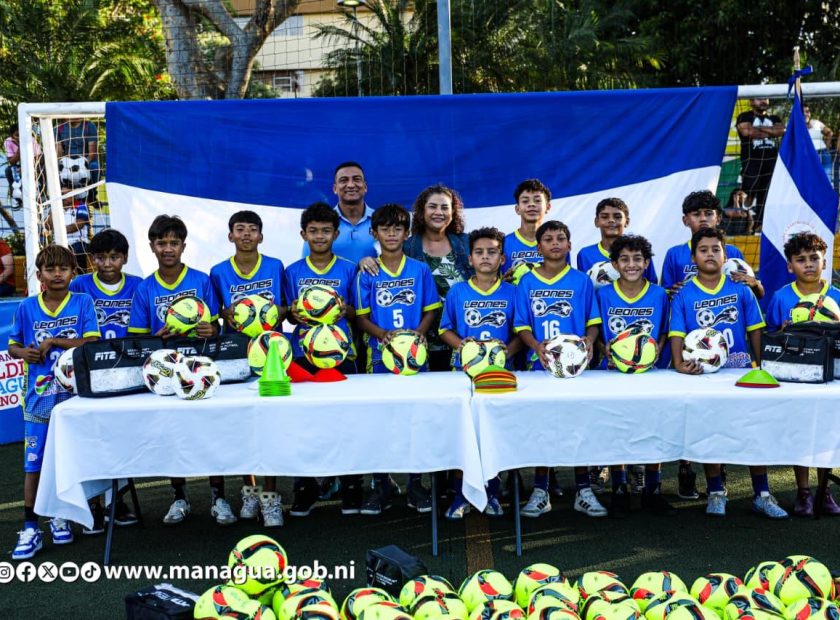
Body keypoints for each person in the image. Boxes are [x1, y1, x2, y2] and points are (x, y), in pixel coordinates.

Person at [669, 227, 788, 520]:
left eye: (716, 249)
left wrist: (762, 366)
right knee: (711, 433)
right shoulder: (683, 295)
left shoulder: (740, 289)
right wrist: (679, 364)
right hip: (704, 376)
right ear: (693, 257)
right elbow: (676, 334)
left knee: (752, 432)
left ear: (726, 255)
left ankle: (762, 493)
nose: (710, 254)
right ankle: (716, 492)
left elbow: (755, 330)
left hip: (740, 373)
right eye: (703, 250)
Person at [126, 215, 230, 526]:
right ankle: (179, 497)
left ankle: (219, 496)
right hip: (166, 373)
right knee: (173, 435)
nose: (168, 248)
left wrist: (211, 329)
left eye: (174, 243)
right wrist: (156, 338)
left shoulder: (200, 280)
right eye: (162, 243)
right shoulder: (145, 288)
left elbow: (216, 325)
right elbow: (138, 338)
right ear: (152, 246)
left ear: (184, 246)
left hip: (200, 368)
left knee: (211, 433)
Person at [660, 190, 763, 500]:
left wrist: (756, 284)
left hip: (735, 359)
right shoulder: (675, 254)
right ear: (686, 220)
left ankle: (747, 485)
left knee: (738, 422)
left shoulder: (733, 253)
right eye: (697, 214)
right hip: (696, 352)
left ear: (718, 218)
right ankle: (687, 469)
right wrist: (673, 290)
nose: (703, 218)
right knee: (695, 418)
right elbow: (666, 295)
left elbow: (752, 295)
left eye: (709, 213)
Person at [9, 245, 100, 560]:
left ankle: (62, 515)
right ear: (39, 275)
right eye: (50, 269)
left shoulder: (82, 302)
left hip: (76, 397)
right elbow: (13, 345)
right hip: (39, 399)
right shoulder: (26, 307)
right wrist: (24, 353)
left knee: (73, 458)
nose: (57, 274)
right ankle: (30, 526)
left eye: (63, 268)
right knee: (34, 464)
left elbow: (91, 342)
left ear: (73, 273)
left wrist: (55, 341)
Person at [513, 220, 606, 519]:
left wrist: (589, 341)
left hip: (576, 367)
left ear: (569, 244)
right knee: (543, 427)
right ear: (538, 247)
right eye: (548, 239)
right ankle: (541, 491)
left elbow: (593, 321)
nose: (555, 243)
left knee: (580, 425)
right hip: (539, 366)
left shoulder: (580, 281)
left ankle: (584, 490)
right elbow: (521, 324)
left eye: (561, 238)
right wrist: (536, 346)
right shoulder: (527, 281)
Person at [355, 203, 441, 515]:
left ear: (407, 233)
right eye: (385, 229)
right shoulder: (366, 272)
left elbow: (431, 309)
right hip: (380, 358)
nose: (391, 234)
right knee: (380, 420)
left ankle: (416, 484)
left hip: (415, 357)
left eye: (397, 229)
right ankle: (381, 484)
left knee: (416, 419)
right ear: (374, 233)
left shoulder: (419, 269)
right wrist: (383, 335)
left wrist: (417, 334)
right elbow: (361, 317)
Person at [210, 211, 286, 527]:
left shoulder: (275, 266)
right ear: (230, 236)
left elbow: (286, 309)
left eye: (252, 229)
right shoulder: (218, 272)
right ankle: (251, 491)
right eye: (239, 229)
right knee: (241, 424)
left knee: (270, 425)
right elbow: (214, 315)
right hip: (235, 354)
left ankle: (271, 497)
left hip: (271, 354)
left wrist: (271, 311)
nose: (246, 235)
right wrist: (225, 313)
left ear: (261, 236)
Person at [284, 203, 359, 518]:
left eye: (325, 231)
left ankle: (352, 486)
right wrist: (293, 312)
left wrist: (343, 309)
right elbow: (288, 314)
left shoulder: (348, 269)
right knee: (304, 423)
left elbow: (357, 311)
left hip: (341, 354)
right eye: (313, 231)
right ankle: (305, 488)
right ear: (303, 234)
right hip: (303, 355)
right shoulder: (292, 271)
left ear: (335, 234)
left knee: (347, 421)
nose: (319, 236)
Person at [439, 227, 520, 519]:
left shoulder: (513, 292)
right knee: (465, 435)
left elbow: (521, 332)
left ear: (502, 258)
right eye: (479, 252)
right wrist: (463, 347)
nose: (485, 257)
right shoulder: (457, 292)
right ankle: (461, 494)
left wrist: (505, 352)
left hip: (500, 375)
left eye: (492, 252)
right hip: (464, 376)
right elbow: (444, 329)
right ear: (470, 259)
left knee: (493, 435)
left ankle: (493, 493)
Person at [68, 229, 142, 533]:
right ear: (92, 259)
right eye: (100, 257)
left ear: (124, 258)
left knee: (121, 435)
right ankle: (93, 503)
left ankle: (116, 500)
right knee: (91, 436)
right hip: (91, 372)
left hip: (127, 372)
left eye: (114, 257)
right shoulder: (79, 285)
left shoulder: (137, 285)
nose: (107, 263)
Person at [594, 234, 673, 517]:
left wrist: (656, 349)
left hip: (649, 374)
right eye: (624, 259)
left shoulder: (659, 294)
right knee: (617, 428)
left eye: (637, 259)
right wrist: (605, 350)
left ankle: (653, 488)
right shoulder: (603, 294)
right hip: (613, 373)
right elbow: (596, 331)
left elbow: (664, 331)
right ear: (614, 264)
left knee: (654, 427)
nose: (631, 264)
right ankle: (619, 487)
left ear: (647, 263)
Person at [764, 232, 840, 517]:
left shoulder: (836, 296)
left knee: (826, 432)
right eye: (800, 259)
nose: (808, 264)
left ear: (824, 262)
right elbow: (771, 335)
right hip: (796, 376)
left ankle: (825, 490)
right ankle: (803, 491)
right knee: (802, 432)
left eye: (814, 258)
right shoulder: (781, 297)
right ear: (790, 266)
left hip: (830, 377)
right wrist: (784, 331)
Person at [402, 184, 471, 371]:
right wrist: (367, 261)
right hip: (422, 341)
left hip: (463, 339)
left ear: (452, 212)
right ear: (422, 211)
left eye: (444, 207)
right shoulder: (407, 247)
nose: (439, 212)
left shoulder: (467, 243)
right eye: (432, 206)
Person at [305, 162, 376, 266]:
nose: (351, 185)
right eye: (344, 180)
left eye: (356, 179)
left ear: (365, 187)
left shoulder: (382, 221)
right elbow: (307, 266)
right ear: (335, 188)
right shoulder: (318, 223)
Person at [576, 197, 657, 283]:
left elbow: (652, 286)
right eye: (605, 217)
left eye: (617, 217)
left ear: (627, 221)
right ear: (596, 222)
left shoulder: (641, 251)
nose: (611, 220)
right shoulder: (585, 254)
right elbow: (583, 287)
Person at [736, 98, 784, 229]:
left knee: (767, 193)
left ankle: (760, 224)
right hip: (751, 161)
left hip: (772, 162)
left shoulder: (774, 118)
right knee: (750, 188)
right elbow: (747, 132)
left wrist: (758, 129)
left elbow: (780, 131)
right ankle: (747, 213)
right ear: (751, 102)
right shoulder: (744, 116)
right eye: (759, 99)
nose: (763, 101)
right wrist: (770, 131)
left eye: (765, 99)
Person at [503, 179, 552, 273]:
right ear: (517, 209)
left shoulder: (558, 244)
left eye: (537, 200)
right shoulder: (503, 244)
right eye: (525, 201)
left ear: (548, 207)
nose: (531, 204)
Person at [43, 181, 91, 273]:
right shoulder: (56, 208)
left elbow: (78, 225)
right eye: (62, 194)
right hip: (58, 241)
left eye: (67, 194)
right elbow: (47, 226)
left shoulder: (81, 205)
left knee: (78, 251)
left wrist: (59, 230)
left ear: (73, 195)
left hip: (78, 241)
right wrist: (53, 211)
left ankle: (81, 275)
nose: (64, 196)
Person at [55, 118, 99, 192]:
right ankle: (59, 193)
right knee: (53, 166)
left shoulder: (89, 126)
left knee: (94, 166)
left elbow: (92, 153)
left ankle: (92, 193)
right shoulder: (59, 128)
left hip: (85, 160)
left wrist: (82, 163)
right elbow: (59, 153)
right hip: (66, 161)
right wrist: (64, 163)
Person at [803, 105, 834, 185]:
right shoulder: (797, 126)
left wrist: (827, 147)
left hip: (823, 153)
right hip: (808, 156)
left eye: (807, 111)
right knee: (811, 182)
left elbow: (830, 133)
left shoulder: (816, 122)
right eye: (803, 112)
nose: (805, 114)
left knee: (827, 182)